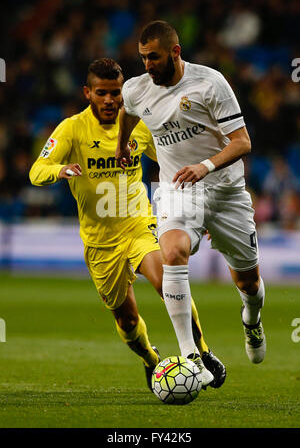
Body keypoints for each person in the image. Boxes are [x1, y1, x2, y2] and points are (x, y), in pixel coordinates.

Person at [29, 58, 226, 391]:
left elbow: (174, 162)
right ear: (88, 93)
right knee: (128, 320)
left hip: (138, 226)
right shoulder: (71, 129)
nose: (110, 100)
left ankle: (202, 353)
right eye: (102, 93)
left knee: (168, 280)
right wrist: (58, 171)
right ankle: (151, 359)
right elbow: (36, 171)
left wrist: (197, 210)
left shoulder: (138, 126)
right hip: (99, 242)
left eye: (116, 93)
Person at [116, 21, 266, 370]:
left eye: (153, 57)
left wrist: (205, 165)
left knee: (249, 281)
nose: (148, 65)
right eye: (143, 58)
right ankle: (190, 355)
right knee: (172, 251)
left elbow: (243, 142)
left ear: (175, 52)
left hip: (225, 190)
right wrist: (123, 144)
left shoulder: (209, 83)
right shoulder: (137, 89)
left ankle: (252, 320)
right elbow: (128, 111)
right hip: (177, 188)